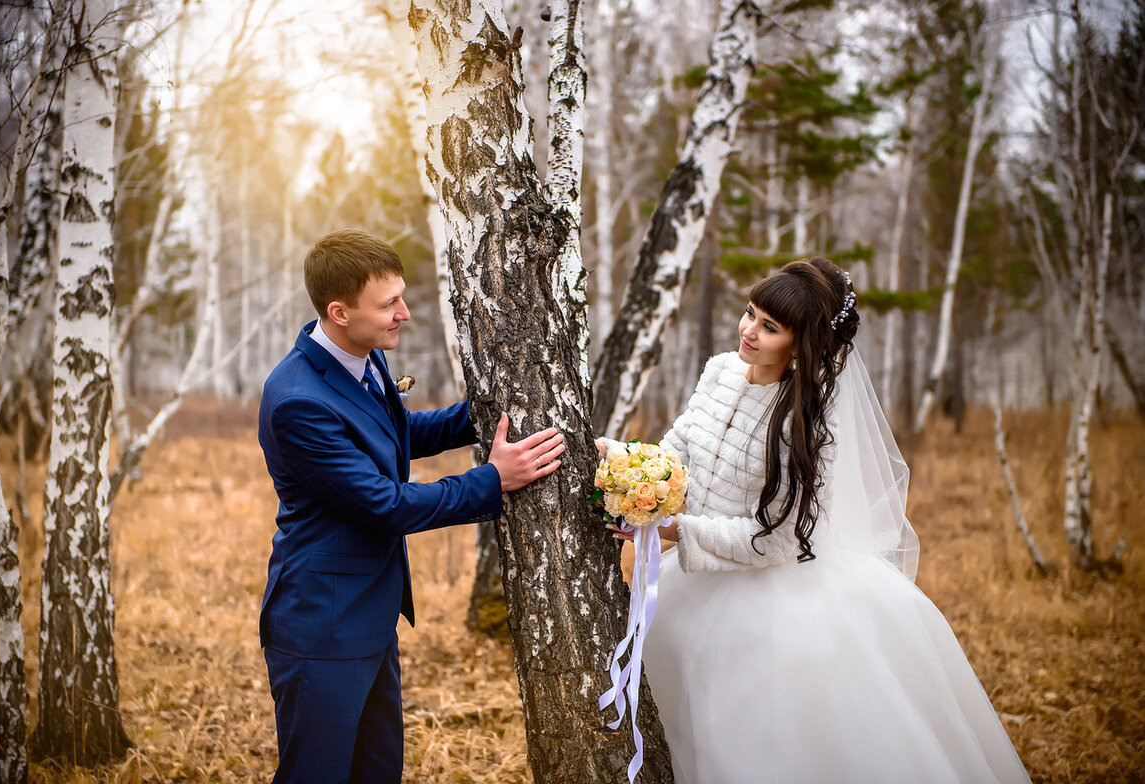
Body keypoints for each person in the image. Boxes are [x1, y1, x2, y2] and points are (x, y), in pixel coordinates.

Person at [603, 257, 1031, 783]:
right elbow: (678, 451)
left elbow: (780, 540)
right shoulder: (717, 371)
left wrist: (676, 530)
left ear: (800, 342)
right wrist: (637, 486)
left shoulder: (808, 418)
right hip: (693, 581)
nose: (749, 332)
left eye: (770, 327)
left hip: (772, 595)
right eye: (750, 313)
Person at [258, 228, 565, 784]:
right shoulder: (298, 402)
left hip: (370, 615)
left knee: (376, 772)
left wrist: (493, 408)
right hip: (322, 624)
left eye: (401, 295)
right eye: (388, 304)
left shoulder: (362, 356)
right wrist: (493, 480)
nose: (404, 312)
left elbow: (394, 433)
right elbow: (385, 505)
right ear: (339, 311)